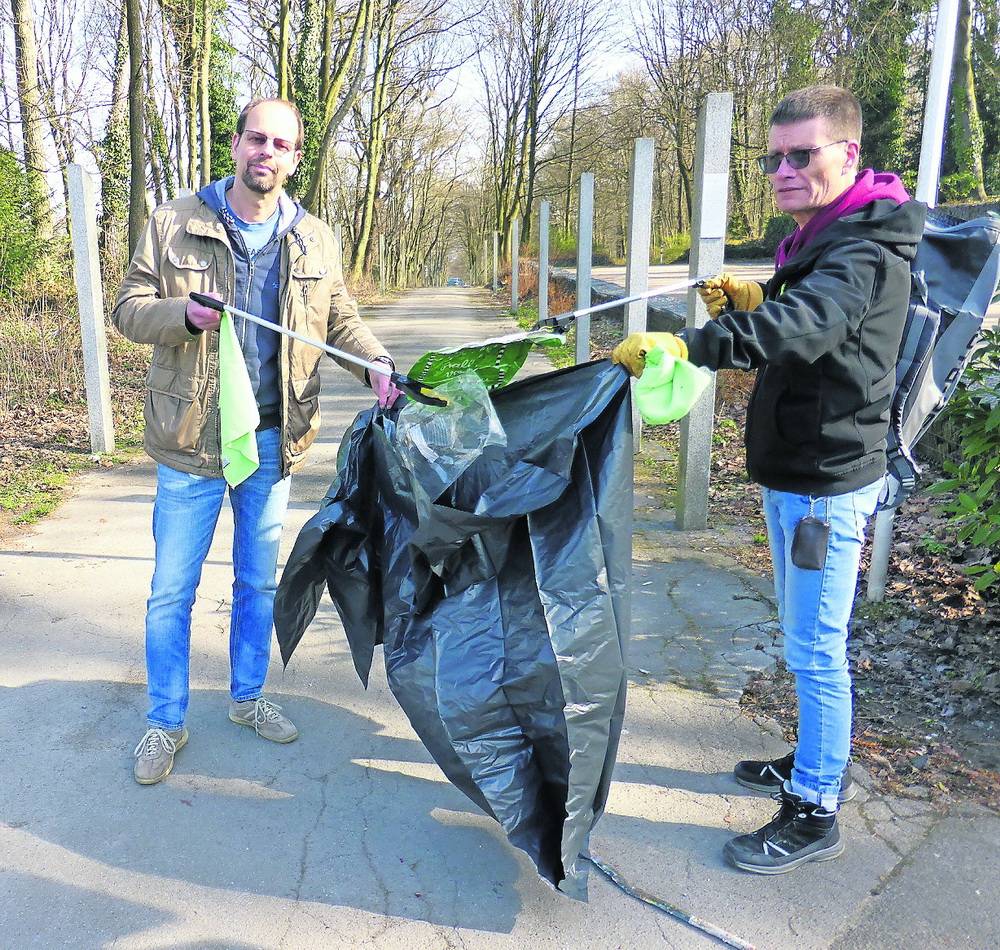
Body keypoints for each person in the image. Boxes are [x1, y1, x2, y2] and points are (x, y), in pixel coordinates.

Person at [612, 85, 925, 873]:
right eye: (773, 157)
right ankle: (808, 764)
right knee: (801, 641)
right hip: (797, 469)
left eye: (801, 155)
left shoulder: (862, 247)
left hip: (825, 484)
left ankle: (816, 810)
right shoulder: (825, 233)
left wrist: (691, 344)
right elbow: (804, 312)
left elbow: (805, 325)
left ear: (847, 155)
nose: (783, 171)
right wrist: (762, 291)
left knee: (817, 650)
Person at [113, 98, 400, 786]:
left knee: (254, 582)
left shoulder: (316, 239)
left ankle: (246, 699)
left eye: (280, 143)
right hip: (190, 439)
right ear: (236, 145)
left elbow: (340, 320)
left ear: (295, 157)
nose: (265, 152)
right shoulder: (174, 222)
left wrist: (377, 365)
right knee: (170, 592)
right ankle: (165, 721)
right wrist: (180, 314)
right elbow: (127, 309)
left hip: (272, 441)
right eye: (255, 139)